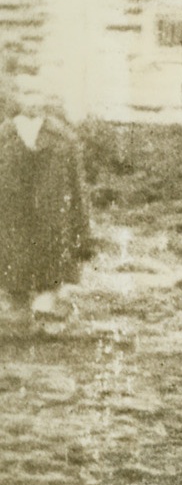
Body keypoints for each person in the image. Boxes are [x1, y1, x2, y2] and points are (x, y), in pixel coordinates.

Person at [0, 83, 91, 327]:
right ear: (17, 97)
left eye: (36, 92)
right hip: (12, 218)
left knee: (49, 273)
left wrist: (82, 232)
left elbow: (77, 189)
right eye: (26, 92)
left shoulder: (63, 138)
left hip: (50, 220)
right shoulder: (4, 135)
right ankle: (16, 309)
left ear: (45, 98)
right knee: (13, 272)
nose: (31, 100)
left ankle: (46, 308)